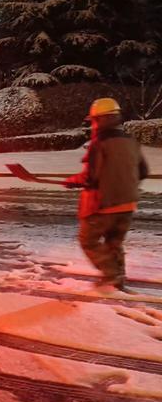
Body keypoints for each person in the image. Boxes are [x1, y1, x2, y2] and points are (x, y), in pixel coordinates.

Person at [64, 98, 149, 291]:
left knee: (88, 241)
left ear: (101, 120)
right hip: (128, 204)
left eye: (93, 120)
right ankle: (118, 276)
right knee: (114, 242)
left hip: (103, 205)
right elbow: (143, 171)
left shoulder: (98, 143)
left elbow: (91, 178)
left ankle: (111, 275)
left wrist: (72, 181)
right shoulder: (131, 141)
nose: (92, 125)